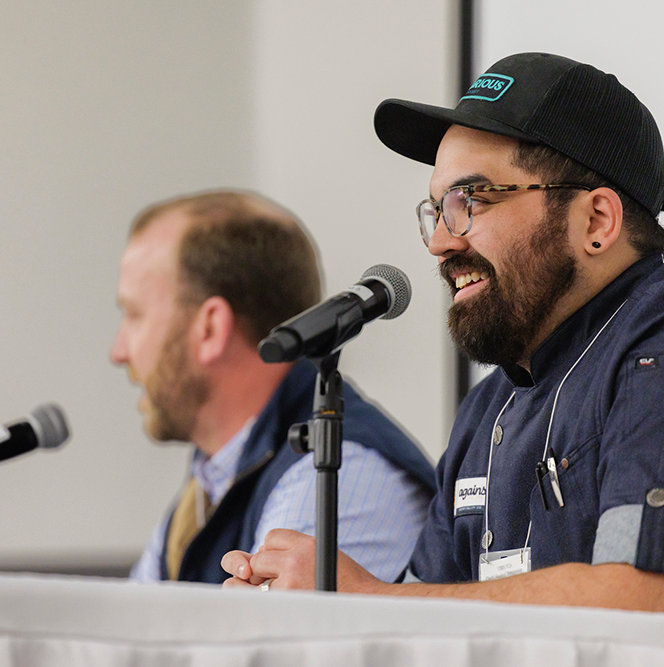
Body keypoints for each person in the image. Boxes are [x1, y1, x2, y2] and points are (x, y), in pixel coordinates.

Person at [222, 53, 664, 666]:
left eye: (472, 200)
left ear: (596, 220)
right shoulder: (488, 408)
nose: (441, 241)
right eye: (436, 210)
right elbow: (428, 628)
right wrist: (308, 625)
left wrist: (367, 599)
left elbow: (645, 612)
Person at [112, 190, 436, 584]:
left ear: (210, 328)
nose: (118, 351)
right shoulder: (211, 479)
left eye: (134, 316)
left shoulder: (332, 472)